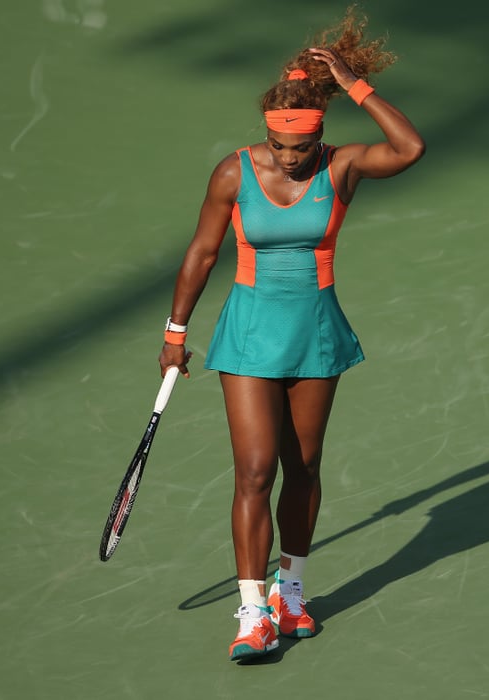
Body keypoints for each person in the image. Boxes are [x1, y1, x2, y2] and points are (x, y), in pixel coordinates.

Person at [157, 8, 425, 662]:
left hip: (316, 335)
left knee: (302, 470)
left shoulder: (343, 168)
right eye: (279, 148)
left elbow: (410, 148)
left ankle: (292, 593)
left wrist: (355, 82)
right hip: (248, 335)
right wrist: (175, 329)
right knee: (254, 472)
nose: (288, 159)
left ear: (320, 135)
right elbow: (200, 254)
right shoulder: (233, 172)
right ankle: (252, 611)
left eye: (299, 149)